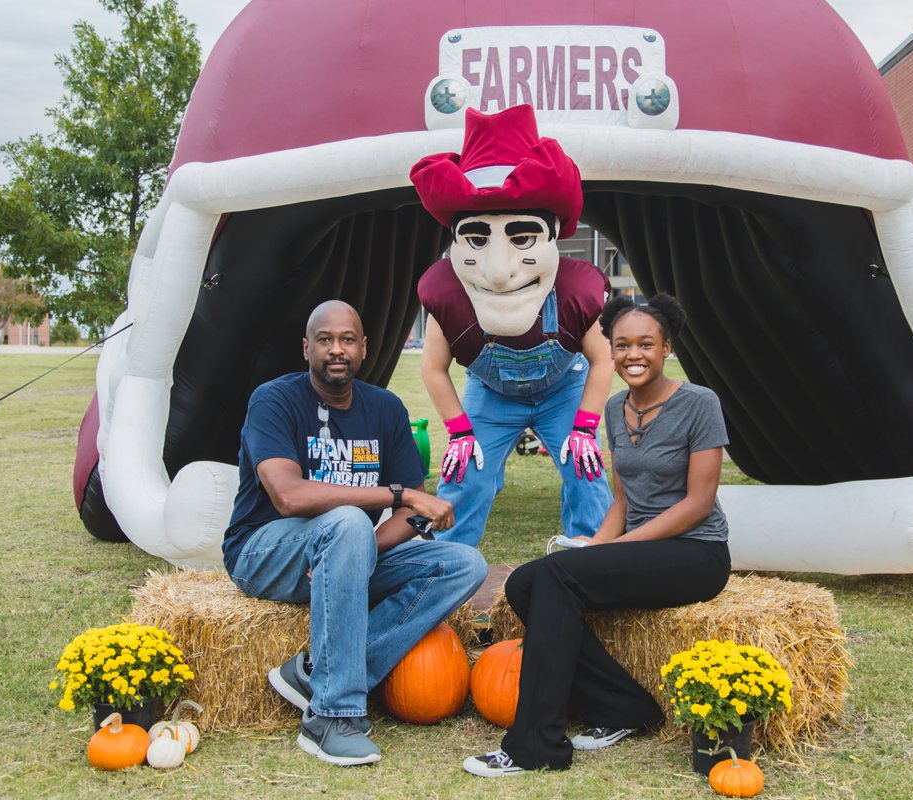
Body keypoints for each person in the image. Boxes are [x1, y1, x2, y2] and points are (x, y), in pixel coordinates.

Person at [462, 293, 732, 777]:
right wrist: (595, 546)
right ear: (609, 348)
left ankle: (534, 746)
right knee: (526, 583)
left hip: (695, 553)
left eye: (646, 344)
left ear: (667, 347)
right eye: (622, 344)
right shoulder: (614, 409)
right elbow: (623, 503)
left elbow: (697, 505)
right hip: (641, 549)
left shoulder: (699, 403)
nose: (634, 354)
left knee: (556, 578)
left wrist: (615, 549)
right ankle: (627, 706)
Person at [223, 300, 488, 767]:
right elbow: (288, 496)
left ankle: (313, 671)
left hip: (342, 551)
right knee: (347, 520)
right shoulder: (274, 399)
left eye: (347, 339)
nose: (336, 349)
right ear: (306, 348)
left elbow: (411, 516)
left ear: (364, 348)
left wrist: (359, 549)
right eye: (324, 340)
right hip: (265, 550)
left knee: (463, 563)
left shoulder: (384, 409)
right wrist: (394, 496)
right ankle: (331, 715)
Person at [410, 104, 614, 548]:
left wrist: (584, 425)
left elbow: (602, 360)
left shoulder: (577, 290)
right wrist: (459, 430)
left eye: (522, 237)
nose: (499, 270)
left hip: (563, 390)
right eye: (479, 239)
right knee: (466, 476)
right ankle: (444, 571)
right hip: (492, 396)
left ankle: (594, 565)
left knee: (586, 470)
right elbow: (432, 367)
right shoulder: (449, 293)